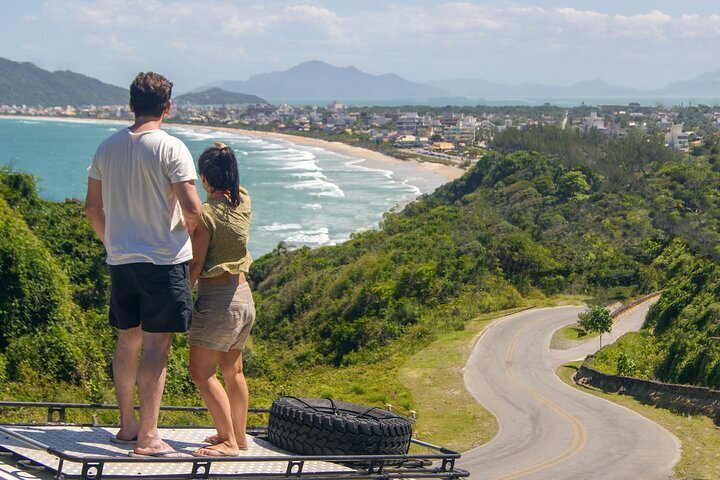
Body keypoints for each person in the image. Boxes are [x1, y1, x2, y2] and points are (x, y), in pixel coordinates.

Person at [85, 72, 203, 458]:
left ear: (130, 103)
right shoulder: (172, 148)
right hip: (162, 260)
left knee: (127, 339)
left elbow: (92, 208)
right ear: (168, 106)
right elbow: (193, 210)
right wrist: (178, 240)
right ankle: (149, 437)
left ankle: (127, 427)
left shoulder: (107, 147)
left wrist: (114, 241)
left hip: (122, 259)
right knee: (156, 346)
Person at [188, 142, 255, 457]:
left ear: (204, 178)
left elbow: (195, 264)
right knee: (233, 370)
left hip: (218, 300)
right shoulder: (243, 201)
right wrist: (225, 151)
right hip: (243, 298)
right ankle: (238, 436)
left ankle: (228, 442)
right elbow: (234, 185)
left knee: (201, 373)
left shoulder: (205, 215)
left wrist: (181, 296)